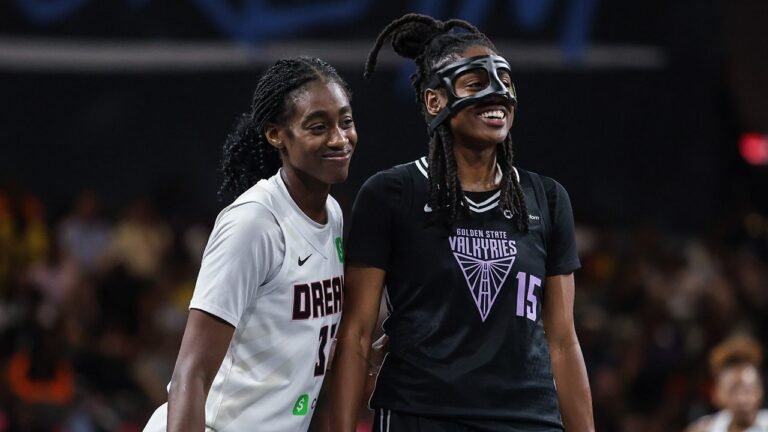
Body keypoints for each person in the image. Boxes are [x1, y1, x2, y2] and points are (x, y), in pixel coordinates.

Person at [330, 13, 594, 432]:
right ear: (435, 101)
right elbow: (358, 334)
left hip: (528, 420)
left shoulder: (548, 198)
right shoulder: (391, 194)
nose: (497, 95)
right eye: (475, 84)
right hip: (421, 416)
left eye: (504, 83)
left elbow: (562, 341)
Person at [143, 56, 357, 432]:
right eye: (318, 126)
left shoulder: (333, 215)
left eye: (346, 121)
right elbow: (189, 374)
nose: (339, 138)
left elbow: (303, 340)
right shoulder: (254, 224)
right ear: (277, 135)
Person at [685, 335, 768, 432]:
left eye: (748, 390)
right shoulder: (703, 429)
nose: (742, 399)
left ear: (760, 391)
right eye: (733, 391)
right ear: (718, 394)